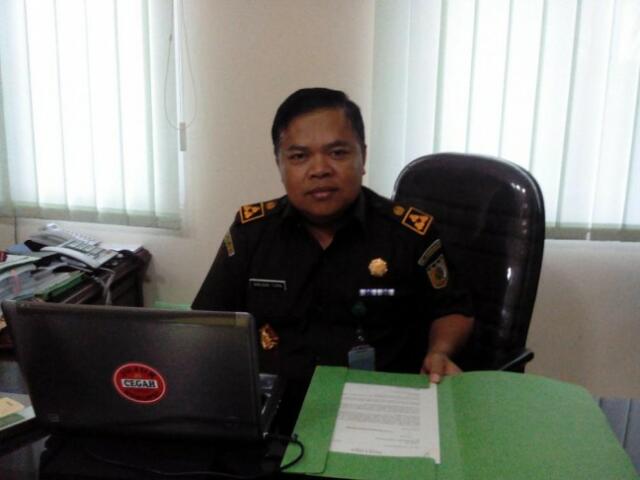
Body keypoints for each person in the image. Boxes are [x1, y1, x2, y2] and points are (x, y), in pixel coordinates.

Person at [192, 88, 474, 391]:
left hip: (378, 400)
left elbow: (453, 309)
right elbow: (208, 320)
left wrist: (440, 351)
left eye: (338, 153)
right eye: (299, 156)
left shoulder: (409, 234)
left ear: (363, 157)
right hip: (276, 403)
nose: (320, 170)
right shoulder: (251, 233)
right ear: (279, 165)